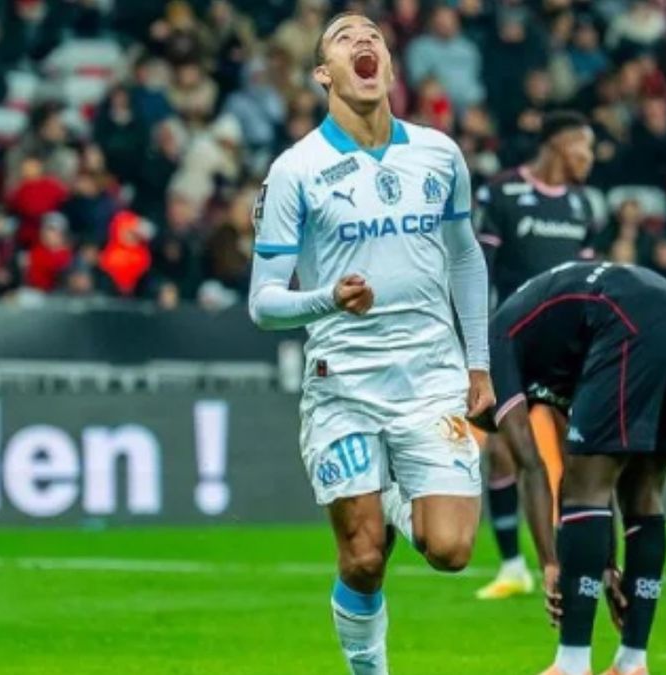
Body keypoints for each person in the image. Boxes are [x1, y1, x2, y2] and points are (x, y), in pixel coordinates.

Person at [247, 12, 492, 674]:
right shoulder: (296, 170)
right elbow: (263, 302)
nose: (363, 42)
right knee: (362, 558)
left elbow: (465, 256)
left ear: (388, 65)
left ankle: (387, 491)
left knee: (451, 550)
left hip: (431, 379)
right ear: (323, 74)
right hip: (345, 387)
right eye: (344, 38)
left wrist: (478, 363)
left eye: (374, 37)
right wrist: (327, 297)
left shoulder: (438, 154)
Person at [472, 261, 666, 675]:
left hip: (625, 318)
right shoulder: (554, 354)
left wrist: (549, 563)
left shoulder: (493, 349)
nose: (490, 425)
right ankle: (632, 663)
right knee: (642, 488)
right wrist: (604, 563)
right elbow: (592, 462)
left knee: (583, 488)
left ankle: (571, 665)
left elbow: (532, 466)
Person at [475, 110, 599, 601]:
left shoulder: (582, 205)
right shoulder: (502, 193)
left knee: (579, 454)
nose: (589, 158)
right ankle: (513, 567)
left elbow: (590, 280)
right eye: (584, 147)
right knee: (503, 452)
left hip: (569, 348)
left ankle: (576, 556)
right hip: (513, 343)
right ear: (559, 145)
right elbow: (479, 270)